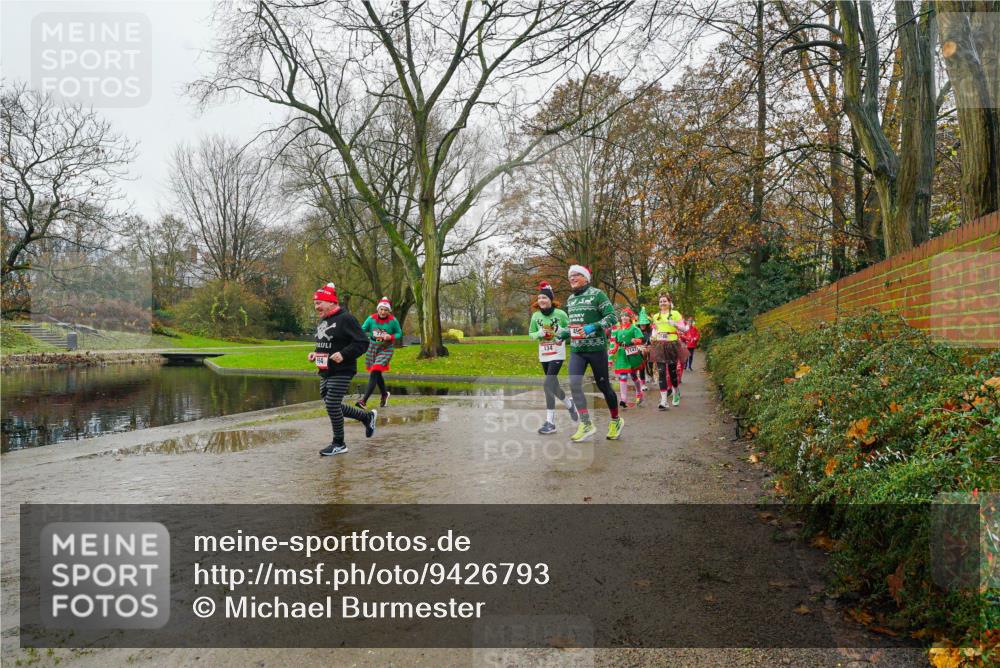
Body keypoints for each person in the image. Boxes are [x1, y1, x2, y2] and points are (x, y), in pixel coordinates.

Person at [308, 283, 378, 456]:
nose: (317, 307)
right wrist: (315, 354)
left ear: (331, 301)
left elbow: (362, 342)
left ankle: (339, 443)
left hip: (343, 369)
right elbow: (325, 344)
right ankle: (366, 417)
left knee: (332, 404)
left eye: (319, 303)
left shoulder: (346, 318)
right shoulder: (324, 320)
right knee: (332, 404)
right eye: (315, 304)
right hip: (326, 370)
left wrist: (344, 354)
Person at [556, 265, 623, 441]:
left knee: (604, 387)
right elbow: (574, 324)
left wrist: (594, 326)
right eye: (570, 275)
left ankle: (616, 420)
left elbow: (612, 317)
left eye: (576, 275)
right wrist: (564, 334)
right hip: (578, 350)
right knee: (574, 384)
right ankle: (586, 424)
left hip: (596, 348)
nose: (572, 278)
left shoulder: (597, 294)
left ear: (586, 278)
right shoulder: (570, 299)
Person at [527, 282, 578, 434]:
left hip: (557, 352)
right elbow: (531, 334)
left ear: (550, 299)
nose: (541, 300)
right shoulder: (536, 316)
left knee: (547, 385)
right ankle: (570, 404)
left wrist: (563, 336)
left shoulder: (561, 314)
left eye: (544, 297)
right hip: (544, 353)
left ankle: (550, 422)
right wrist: (539, 334)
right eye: (539, 298)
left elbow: (571, 331)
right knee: (553, 386)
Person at [359, 297, 403, 408]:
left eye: (385, 310)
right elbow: (362, 329)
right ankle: (384, 394)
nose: (383, 312)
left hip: (385, 348)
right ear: (378, 309)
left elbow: (399, 333)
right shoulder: (371, 319)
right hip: (373, 347)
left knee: (375, 370)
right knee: (376, 373)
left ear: (389, 311)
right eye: (381, 309)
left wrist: (391, 336)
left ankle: (363, 401)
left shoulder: (393, 321)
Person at [649, 293, 688, 410]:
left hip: (672, 345)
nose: (662, 303)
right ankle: (664, 400)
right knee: (661, 372)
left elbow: (685, 329)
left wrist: (675, 324)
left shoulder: (675, 314)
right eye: (660, 301)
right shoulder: (656, 316)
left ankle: (676, 392)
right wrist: (653, 336)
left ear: (669, 302)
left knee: (672, 372)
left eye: (664, 301)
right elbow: (655, 330)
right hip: (660, 345)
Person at [611, 308, 645, 408]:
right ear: (620, 318)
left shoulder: (634, 328)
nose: (624, 317)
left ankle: (639, 392)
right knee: (623, 376)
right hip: (622, 354)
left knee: (634, 375)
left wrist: (636, 340)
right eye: (623, 315)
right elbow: (617, 342)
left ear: (630, 318)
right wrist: (614, 350)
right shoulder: (618, 330)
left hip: (632, 353)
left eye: (626, 316)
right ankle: (623, 399)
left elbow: (640, 340)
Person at [637, 306, 652, 393]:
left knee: (650, 365)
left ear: (647, 324)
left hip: (650, 350)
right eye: (641, 323)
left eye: (644, 323)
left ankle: (650, 374)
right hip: (640, 350)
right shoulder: (636, 330)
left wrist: (649, 345)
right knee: (641, 366)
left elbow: (653, 340)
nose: (642, 325)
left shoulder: (650, 331)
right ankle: (643, 384)